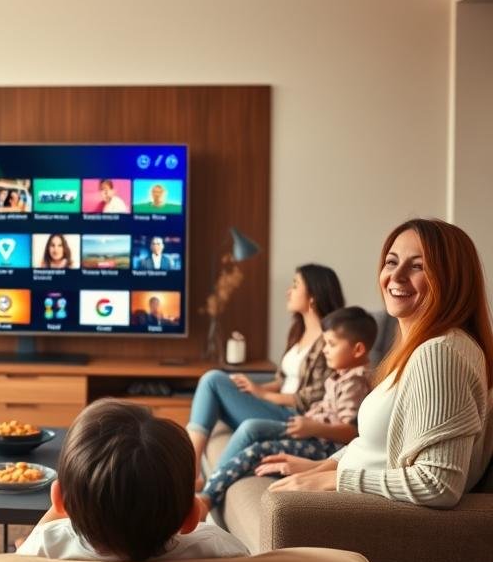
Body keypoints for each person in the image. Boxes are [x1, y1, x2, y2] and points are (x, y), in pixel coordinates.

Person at [263, 219, 493, 508]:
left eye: (418, 266)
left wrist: (334, 480)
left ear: (452, 279)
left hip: (371, 514)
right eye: (391, 262)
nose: (396, 276)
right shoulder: (417, 350)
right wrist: (320, 467)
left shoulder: (440, 353)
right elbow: (375, 445)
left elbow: (438, 484)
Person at [16, 399, 248, 561]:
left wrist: (34, 537)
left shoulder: (45, 547)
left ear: (59, 499)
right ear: (191, 516)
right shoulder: (222, 550)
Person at [198, 306, 376, 511]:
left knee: (257, 448)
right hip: (312, 433)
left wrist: (313, 427)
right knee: (254, 432)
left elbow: (351, 432)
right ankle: (208, 492)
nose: (325, 349)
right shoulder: (342, 375)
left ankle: (207, 497)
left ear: (358, 350)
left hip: (323, 446)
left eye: (331, 344)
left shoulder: (355, 382)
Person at [187, 264, 344, 489]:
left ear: (313, 295)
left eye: (295, 285)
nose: (289, 291)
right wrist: (251, 388)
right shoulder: (298, 332)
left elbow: (312, 398)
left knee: (212, 380)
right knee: (213, 380)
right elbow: (282, 381)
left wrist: (261, 393)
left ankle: (193, 476)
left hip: (296, 418)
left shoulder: (330, 341)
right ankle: (191, 470)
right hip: (277, 408)